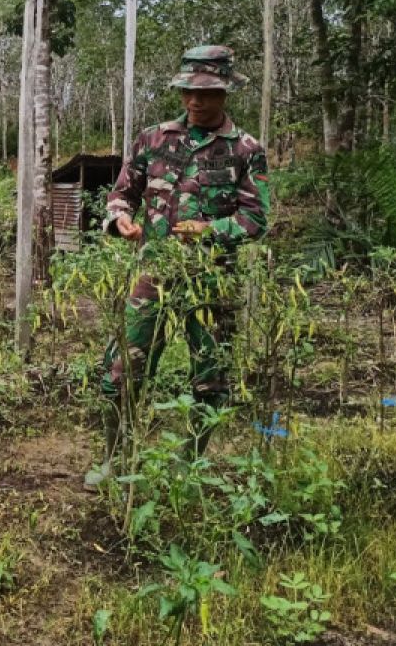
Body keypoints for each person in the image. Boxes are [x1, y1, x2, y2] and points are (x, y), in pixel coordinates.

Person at [84, 45, 270, 490]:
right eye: (188, 91)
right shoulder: (153, 139)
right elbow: (122, 193)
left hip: (210, 280)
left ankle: (191, 463)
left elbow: (255, 218)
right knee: (125, 366)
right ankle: (114, 458)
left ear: (226, 92)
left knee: (210, 372)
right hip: (153, 273)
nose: (194, 101)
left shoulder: (244, 150)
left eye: (205, 94)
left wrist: (210, 229)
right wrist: (120, 218)